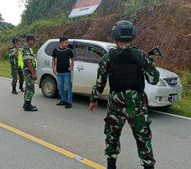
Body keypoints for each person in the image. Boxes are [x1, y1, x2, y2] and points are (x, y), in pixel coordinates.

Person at [89, 20, 160, 169]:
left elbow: (100, 81)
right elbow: (154, 79)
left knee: (112, 137)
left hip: (115, 104)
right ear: (132, 36)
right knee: (143, 138)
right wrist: (149, 62)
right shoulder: (141, 55)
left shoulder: (109, 57)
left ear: (115, 36)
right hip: (137, 105)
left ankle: (111, 166)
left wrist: (94, 99)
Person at [52, 36, 74, 109]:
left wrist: (71, 66)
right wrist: (53, 69)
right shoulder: (55, 50)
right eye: (66, 42)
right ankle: (63, 100)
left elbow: (72, 60)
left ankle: (69, 102)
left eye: (67, 42)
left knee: (68, 87)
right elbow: (53, 60)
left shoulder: (69, 51)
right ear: (61, 42)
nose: (67, 44)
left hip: (67, 72)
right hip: (59, 72)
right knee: (60, 87)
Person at [22, 34, 38, 111]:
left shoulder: (28, 49)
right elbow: (28, 62)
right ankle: (27, 106)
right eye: (33, 40)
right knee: (30, 89)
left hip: (28, 71)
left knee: (28, 88)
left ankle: (26, 104)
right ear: (29, 40)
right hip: (28, 71)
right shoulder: (26, 49)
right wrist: (33, 73)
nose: (34, 42)